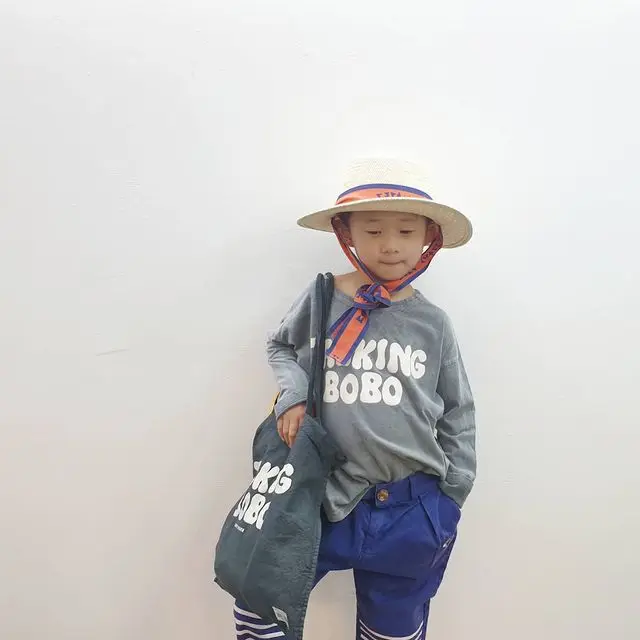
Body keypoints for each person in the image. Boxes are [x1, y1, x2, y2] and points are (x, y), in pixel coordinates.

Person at [233, 158, 476, 640]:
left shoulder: (433, 323)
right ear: (346, 233)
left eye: (406, 231)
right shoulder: (323, 296)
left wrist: (453, 494)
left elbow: (458, 408)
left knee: (392, 629)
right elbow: (281, 345)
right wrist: (293, 395)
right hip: (319, 495)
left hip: (410, 507)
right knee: (259, 605)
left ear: (427, 238)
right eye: (373, 230)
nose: (390, 245)